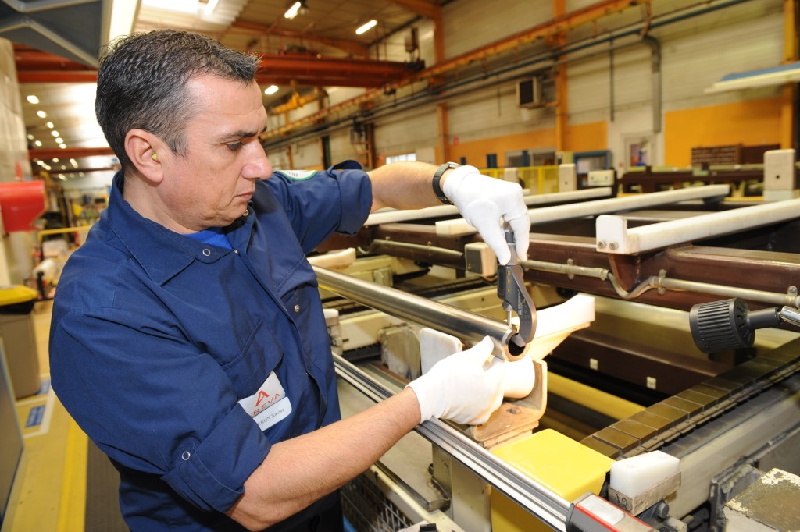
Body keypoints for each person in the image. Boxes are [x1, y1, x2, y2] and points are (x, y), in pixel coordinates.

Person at [49, 29, 531, 531]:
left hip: (322, 505)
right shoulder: (105, 312)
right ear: (148, 154)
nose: (261, 165)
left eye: (258, 136)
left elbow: (376, 188)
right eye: (234, 144)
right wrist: (428, 399)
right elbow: (254, 493)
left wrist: (452, 182)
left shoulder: (259, 207)